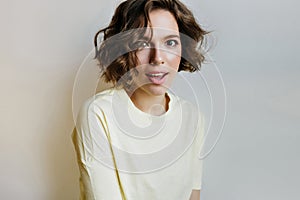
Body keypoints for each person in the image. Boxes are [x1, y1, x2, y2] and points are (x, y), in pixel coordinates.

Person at [72, 0, 208, 199]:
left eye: (170, 42)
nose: (158, 58)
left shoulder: (193, 118)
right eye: (142, 43)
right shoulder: (98, 114)